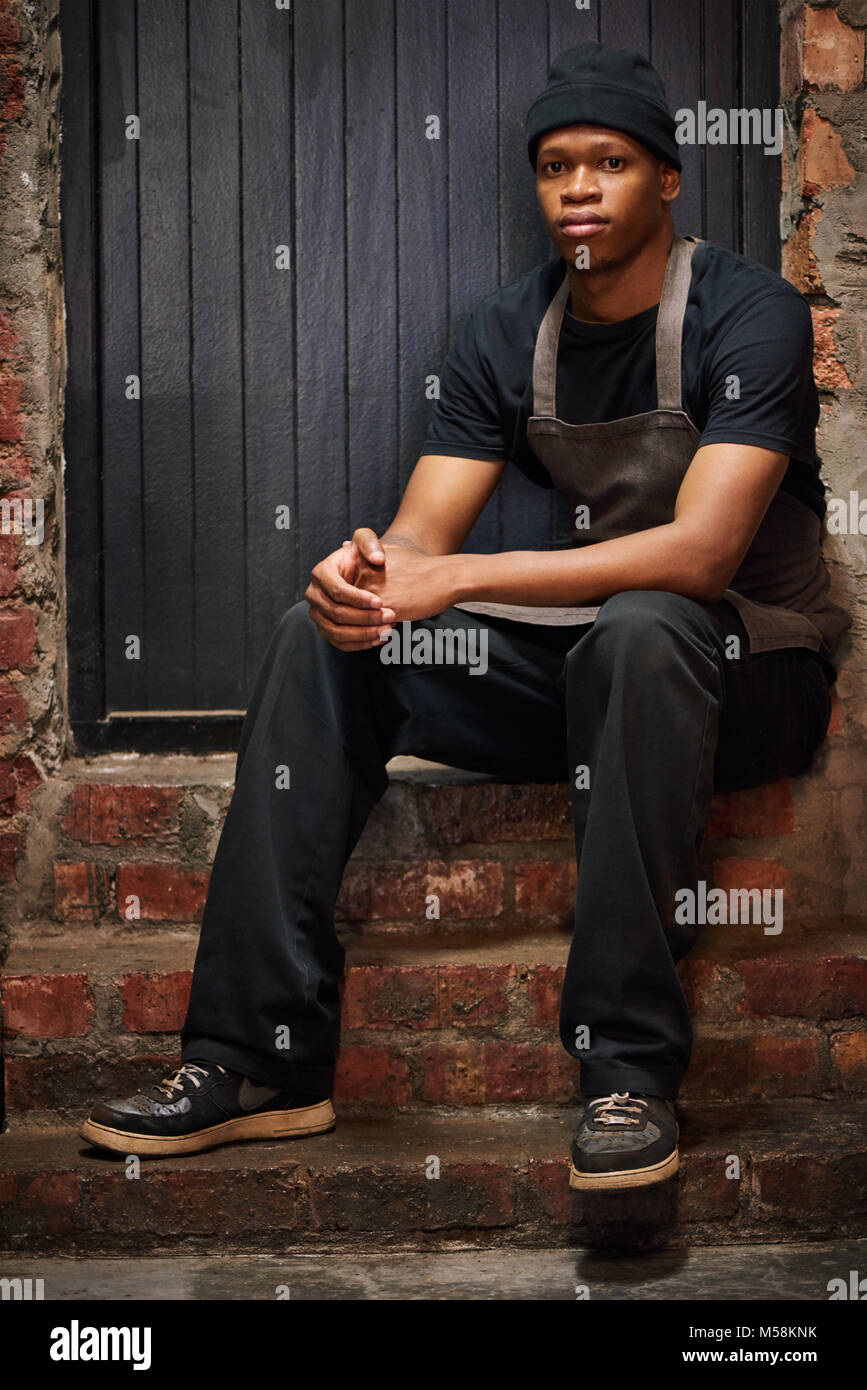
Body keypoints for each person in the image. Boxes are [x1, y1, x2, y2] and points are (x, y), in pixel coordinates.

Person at [80, 41, 849, 1190]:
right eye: (554, 167)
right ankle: (257, 1058)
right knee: (321, 642)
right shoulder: (505, 331)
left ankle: (628, 1074)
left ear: (667, 181)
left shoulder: (751, 313)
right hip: (597, 674)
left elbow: (700, 554)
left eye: (610, 163)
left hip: (748, 668)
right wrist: (365, 578)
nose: (578, 188)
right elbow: (420, 551)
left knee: (644, 624)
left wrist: (460, 584)